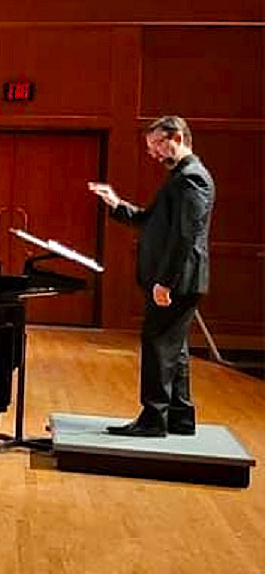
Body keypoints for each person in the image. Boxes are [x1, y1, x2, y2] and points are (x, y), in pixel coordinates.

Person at [89, 115, 215, 437]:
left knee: (158, 344)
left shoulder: (192, 179)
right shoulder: (180, 178)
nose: (153, 153)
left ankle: (153, 419)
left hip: (177, 280)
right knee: (175, 348)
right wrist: (116, 204)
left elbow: (185, 236)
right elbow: (151, 221)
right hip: (176, 279)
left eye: (156, 145)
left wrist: (166, 282)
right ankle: (180, 417)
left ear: (176, 137)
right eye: (149, 147)